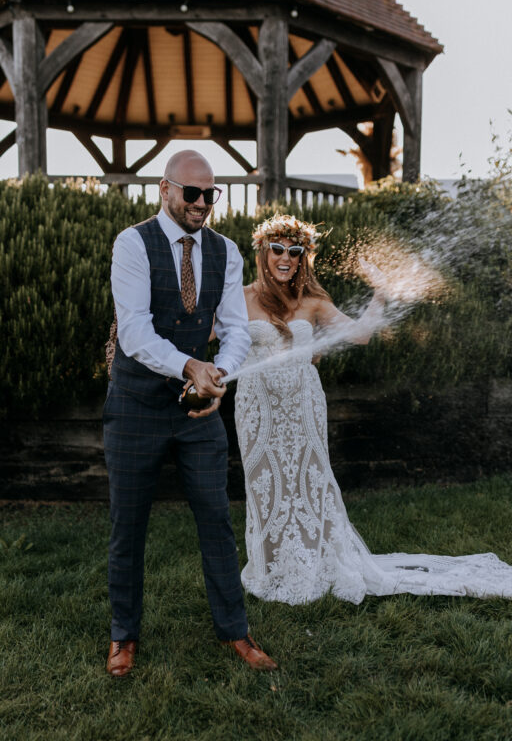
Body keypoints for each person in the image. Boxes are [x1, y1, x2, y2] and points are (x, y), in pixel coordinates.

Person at [234, 213, 512, 605]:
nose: (286, 258)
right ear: (263, 252)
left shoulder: (312, 300)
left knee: (306, 482)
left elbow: (361, 335)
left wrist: (379, 292)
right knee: (264, 483)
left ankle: (314, 563)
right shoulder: (239, 297)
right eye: (277, 249)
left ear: (302, 258)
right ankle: (272, 566)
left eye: (295, 252)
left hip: (302, 404)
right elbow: (204, 332)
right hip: (256, 407)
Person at [103, 150, 277, 677]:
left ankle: (235, 632)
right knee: (127, 527)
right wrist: (189, 367)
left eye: (211, 194)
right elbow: (132, 331)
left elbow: (236, 328)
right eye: (192, 193)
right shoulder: (132, 244)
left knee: (217, 522)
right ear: (165, 189)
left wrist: (217, 375)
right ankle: (123, 637)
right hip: (135, 407)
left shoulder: (226, 252)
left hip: (198, 414)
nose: (203, 204)